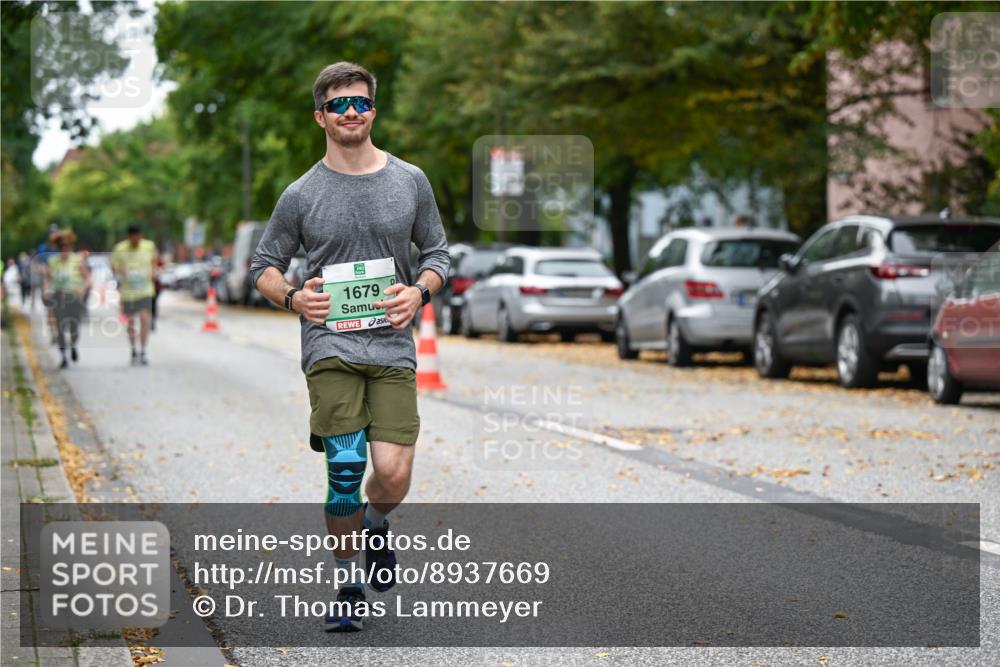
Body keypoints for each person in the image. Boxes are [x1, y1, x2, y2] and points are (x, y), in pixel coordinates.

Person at [249, 61, 449, 632]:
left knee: (392, 472)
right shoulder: (301, 194)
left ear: (373, 111)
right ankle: (347, 584)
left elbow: (438, 253)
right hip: (330, 346)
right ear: (321, 117)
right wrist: (294, 299)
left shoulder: (410, 180)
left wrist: (418, 292)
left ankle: (376, 524)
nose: (351, 112)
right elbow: (263, 266)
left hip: (393, 347)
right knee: (345, 468)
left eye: (359, 102)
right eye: (338, 105)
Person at [43, 229, 90, 369]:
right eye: (61, 247)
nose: (64, 249)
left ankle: (73, 344)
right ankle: (63, 356)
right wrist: (46, 291)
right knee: (60, 326)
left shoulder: (77, 260)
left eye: (67, 246)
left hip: (74, 296)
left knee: (74, 326)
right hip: (58, 296)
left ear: (70, 246)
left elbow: (88, 278)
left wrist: (82, 290)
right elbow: (48, 279)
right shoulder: (53, 261)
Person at [111, 224, 157, 365]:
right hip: (128, 292)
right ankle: (133, 349)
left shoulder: (149, 246)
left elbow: (155, 262)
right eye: (133, 238)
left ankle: (143, 351)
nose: (136, 240)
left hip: (145, 290)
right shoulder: (120, 249)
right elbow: (113, 267)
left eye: (138, 237)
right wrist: (121, 270)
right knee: (130, 322)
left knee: (144, 319)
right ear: (129, 237)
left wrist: (153, 273)